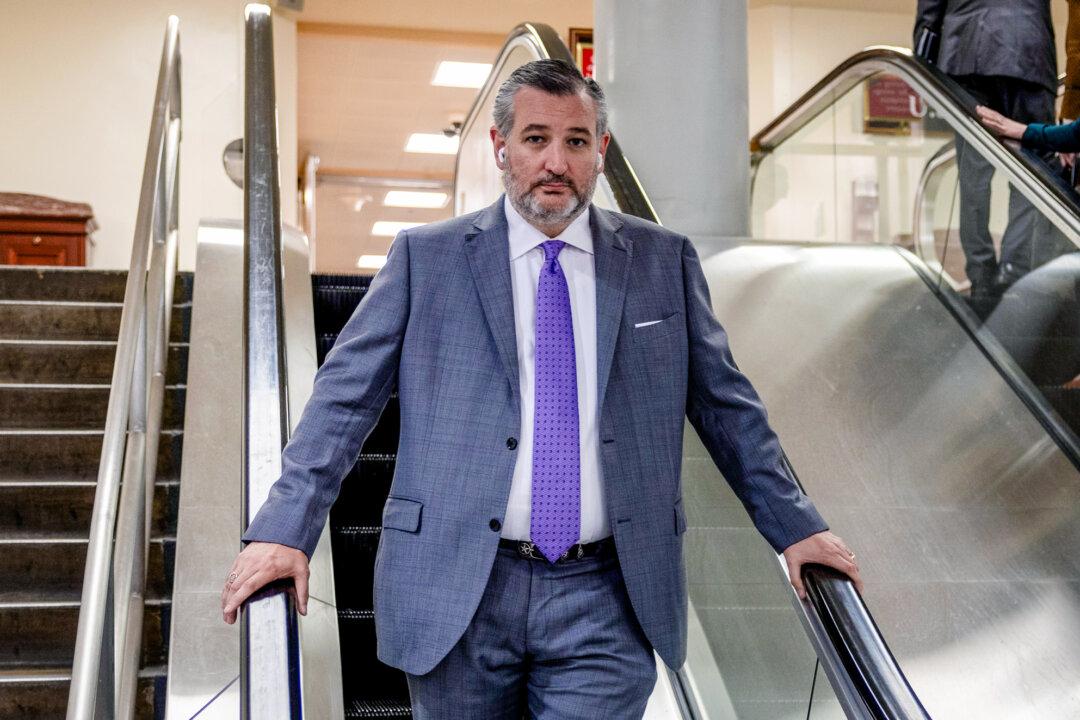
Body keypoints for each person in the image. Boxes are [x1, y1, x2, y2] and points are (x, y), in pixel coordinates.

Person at [220, 59, 862, 719]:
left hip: (607, 596)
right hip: (456, 586)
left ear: (601, 153)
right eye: (535, 139)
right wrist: (285, 530)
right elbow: (343, 402)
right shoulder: (427, 258)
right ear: (501, 147)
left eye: (577, 141)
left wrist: (795, 527)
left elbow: (730, 410)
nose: (557, 160)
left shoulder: (662, 263)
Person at [914, 0, 1057, 296]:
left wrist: (923, 68)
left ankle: (981, 279)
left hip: (967, 53)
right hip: (1031, 49)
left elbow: (930, 10)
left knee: (973, 177)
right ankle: (1014, 274)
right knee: (1031, 175)